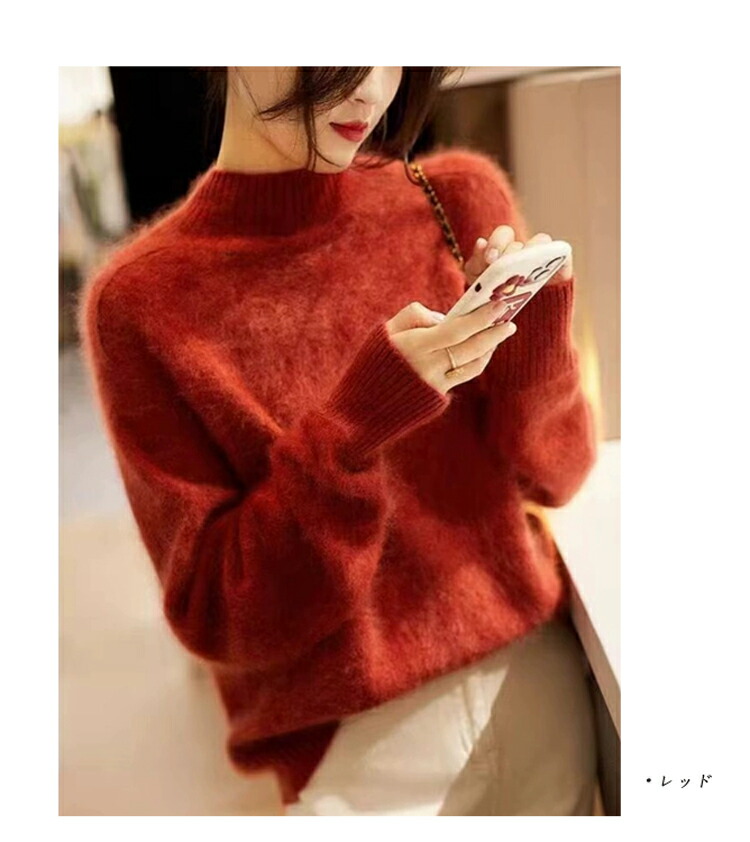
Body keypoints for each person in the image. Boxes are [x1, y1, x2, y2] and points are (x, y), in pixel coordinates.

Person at [78, 67, 599, 816]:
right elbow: (223, 613)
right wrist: (354, 428)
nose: (370, 88)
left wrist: (536, 335)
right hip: (362, 765)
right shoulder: (143, 303)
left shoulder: (456, 198)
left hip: (539, 690)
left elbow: (559, 473)